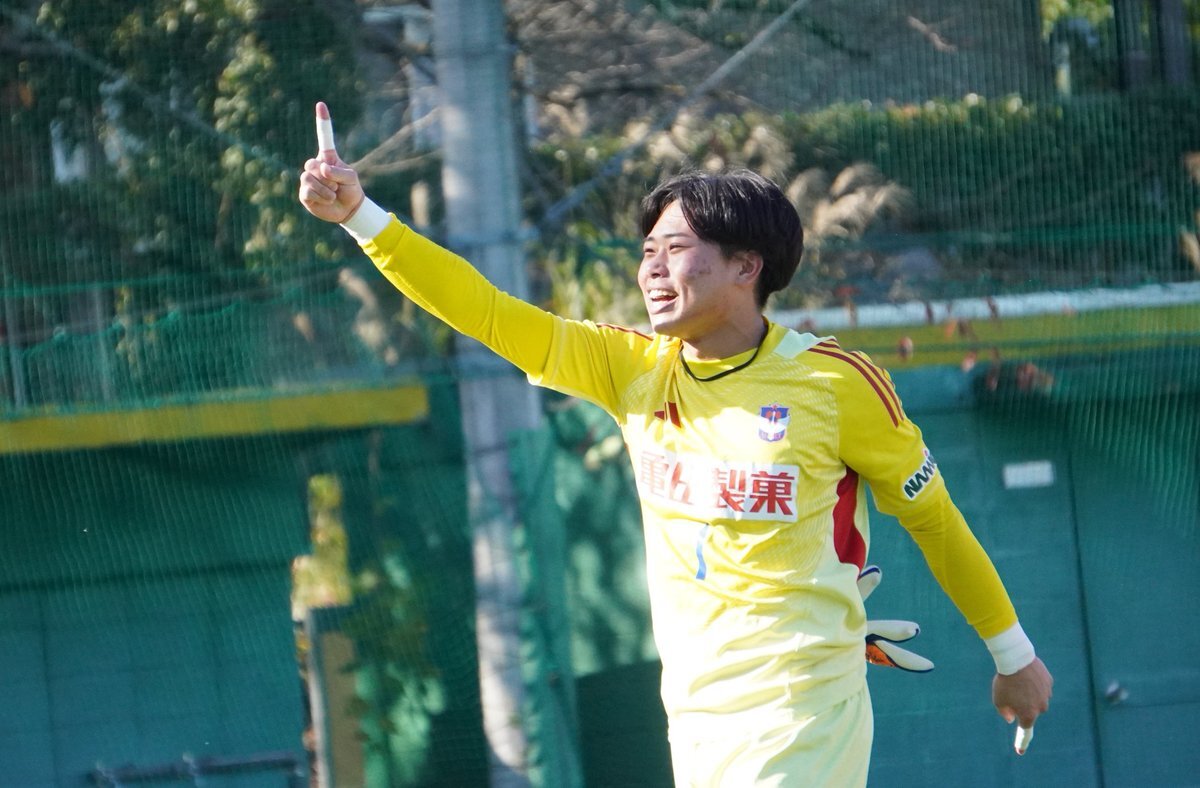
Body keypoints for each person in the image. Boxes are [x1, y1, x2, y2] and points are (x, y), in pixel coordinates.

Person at [299, 102, 1052, 787]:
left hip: (804, 706)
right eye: (647, 251)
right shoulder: (631, 369)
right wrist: (361, 216)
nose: (652, 270)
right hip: (694, 718)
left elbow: (934, 521)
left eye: (676, 249)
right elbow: (486, 312)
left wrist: (1013, 656)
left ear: (747, 266)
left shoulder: (834, 384)